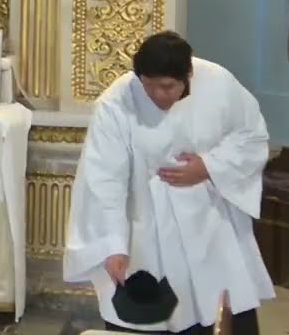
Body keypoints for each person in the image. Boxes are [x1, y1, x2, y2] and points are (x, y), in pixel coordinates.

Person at [63, 31, 275, 334]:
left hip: (210, 225)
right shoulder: (116, 102)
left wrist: (209, 166)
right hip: (146, 231)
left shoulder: (219, 83)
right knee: (146, 315)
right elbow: (103, 178)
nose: (158, 95)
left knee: (218, 314)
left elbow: (252, 136)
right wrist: (111, 245)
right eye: (149, 85)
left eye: (167, 87)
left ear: (187, 75)